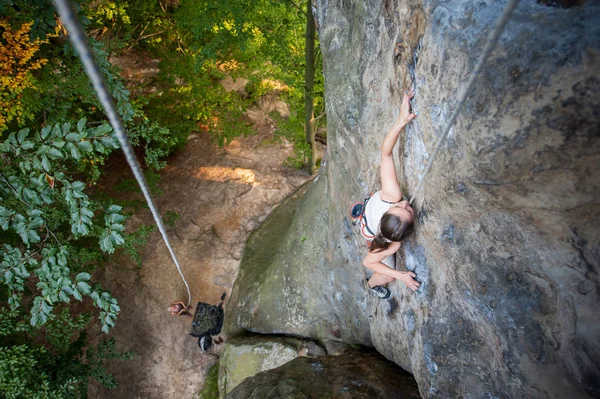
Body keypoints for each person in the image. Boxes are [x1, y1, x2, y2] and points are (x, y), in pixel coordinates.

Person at [361, 89, 421, 299]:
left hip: (374, 213)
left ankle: (363, 212)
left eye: (402, 208)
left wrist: (401, 122)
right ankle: (370, 284)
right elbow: (368, 262)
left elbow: (385, 153)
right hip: (372, 224)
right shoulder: (393, 243)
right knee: (386, 277)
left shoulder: (392, 198)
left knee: (375, 205)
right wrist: (399, 275)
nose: (405, 204)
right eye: (407, 210)